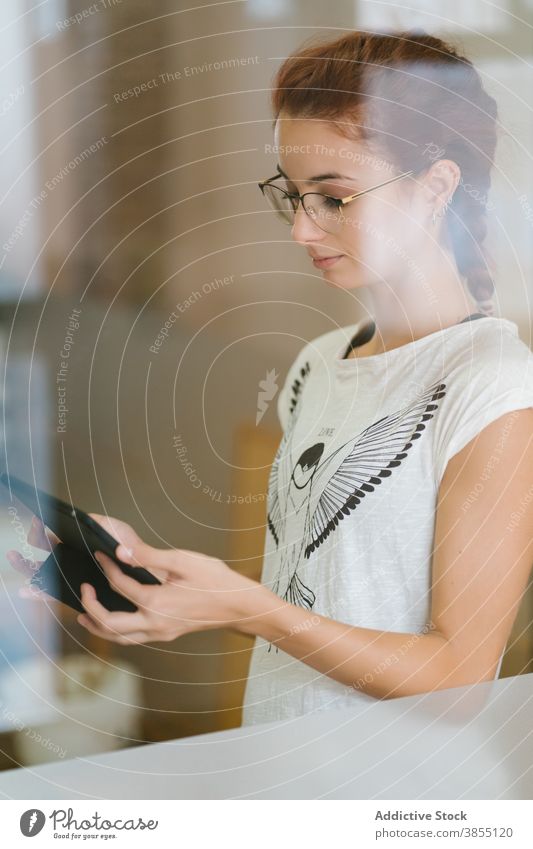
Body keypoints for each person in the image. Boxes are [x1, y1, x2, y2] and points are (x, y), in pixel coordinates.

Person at [8, 30, 533, 728]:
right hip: (291, 770)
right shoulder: (320, 363)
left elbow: (459, 677)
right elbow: (319, 596)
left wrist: (246, 605)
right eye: (292, 196)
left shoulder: (494, 388)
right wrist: (159, 579)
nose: (301, 231)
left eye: (333, 198)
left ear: (435, 187)